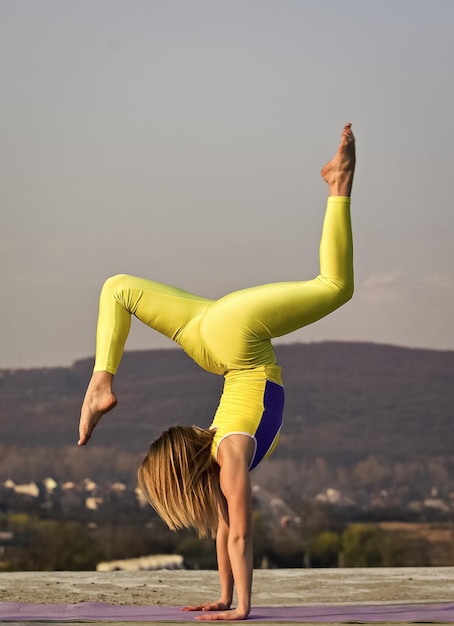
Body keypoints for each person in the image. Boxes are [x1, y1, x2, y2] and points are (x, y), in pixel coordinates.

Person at [78, 123, 356, 621]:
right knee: (117, 288)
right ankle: (101, 382)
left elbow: (245, 536)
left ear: (187, 479)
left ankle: (339, 185)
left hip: (233, 337)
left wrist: (243, 609)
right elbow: (228, 533)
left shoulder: (229, 457)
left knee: (335, 285)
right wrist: (223, 597)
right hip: (207, 340)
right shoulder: (225, 461)